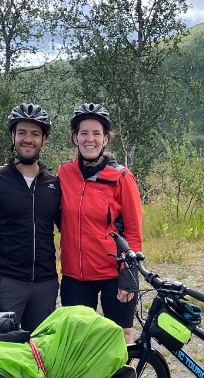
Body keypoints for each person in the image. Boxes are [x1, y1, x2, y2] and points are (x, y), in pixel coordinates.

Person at [56, 103, 144, 343]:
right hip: (75, 276)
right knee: (77, 341)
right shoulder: (63, 173)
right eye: (84, 133)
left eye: (96, 133)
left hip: (113, 275)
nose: (90, 139)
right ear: (75, 138)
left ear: (105, 139)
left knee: (120, 339)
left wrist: (129, 274)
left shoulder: (122, 177)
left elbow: (134, 232)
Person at [0, 103, 62, 332]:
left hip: (46, 283)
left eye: (35, 133)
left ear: (44, 139)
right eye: (22, 132)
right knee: (2, 352)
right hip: (8, 283)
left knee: (39, 353)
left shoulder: (53, 185)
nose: (28, 139)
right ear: (13, 136)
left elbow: (72, 226)